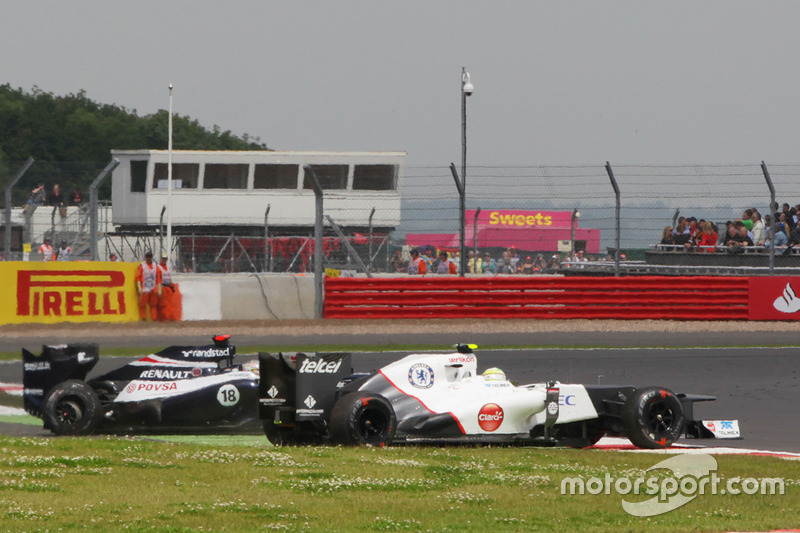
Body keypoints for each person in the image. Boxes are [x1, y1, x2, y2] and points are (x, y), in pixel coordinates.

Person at [136, 251, 162, 321]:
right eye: (147, 257)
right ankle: (143, 317)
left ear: (151, 257)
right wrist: (139, 287)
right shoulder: (142, 266)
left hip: (153, 288)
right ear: (146, 258)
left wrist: (159, 289)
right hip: (145, 289)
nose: (149, 258)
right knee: (142, 304)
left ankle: (153, 318)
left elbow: (158, 278)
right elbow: (138, 277)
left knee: (153, 304)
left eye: (150, 257)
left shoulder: (155, 266)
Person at [156, 252, 182, 321]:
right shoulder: (158, 267)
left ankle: (169, 317)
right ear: (161, 259)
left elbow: (169, 278)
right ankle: (164, 317)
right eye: (163, 258)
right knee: (163, 304)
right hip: (162, 287)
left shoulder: (168, 268)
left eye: (165, 258)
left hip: (168, 287)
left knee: (170, 303)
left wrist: (171, 286)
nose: (164, 260)